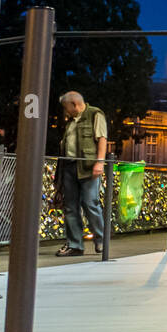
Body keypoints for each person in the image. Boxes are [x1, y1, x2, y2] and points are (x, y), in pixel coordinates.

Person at [56, 91, 108, 256]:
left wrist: (100, 162)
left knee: (90, 203)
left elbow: (102, 138)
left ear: (74, 104)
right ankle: (75, 244)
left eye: (66, 107)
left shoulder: (95, 114)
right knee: (70, 207)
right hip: (69, 166)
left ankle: (101, 241)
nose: (65, 111)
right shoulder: (70, 121)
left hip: (88, 166)